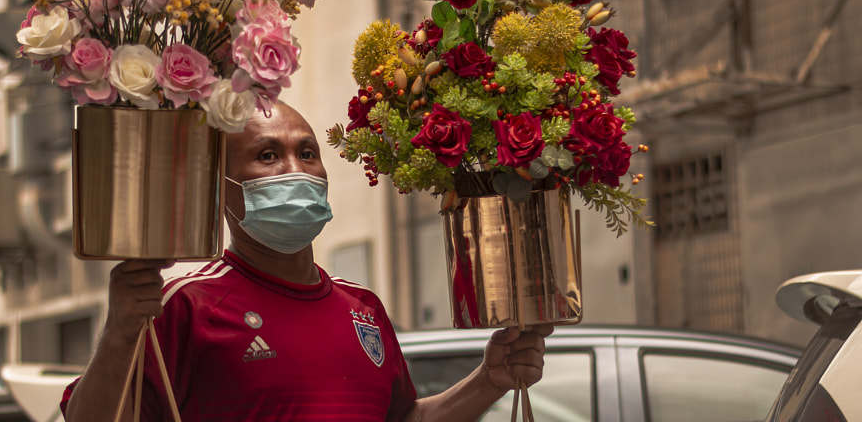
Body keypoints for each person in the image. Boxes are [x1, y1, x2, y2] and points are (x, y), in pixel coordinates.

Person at [62, 101, 552, 421]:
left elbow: (406, 419)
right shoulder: (185, 305)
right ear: (220, 189)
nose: (296, 170)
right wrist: (121, 328)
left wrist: (490, 380)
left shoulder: (363, 307)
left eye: (308, 152)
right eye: (268, 156)